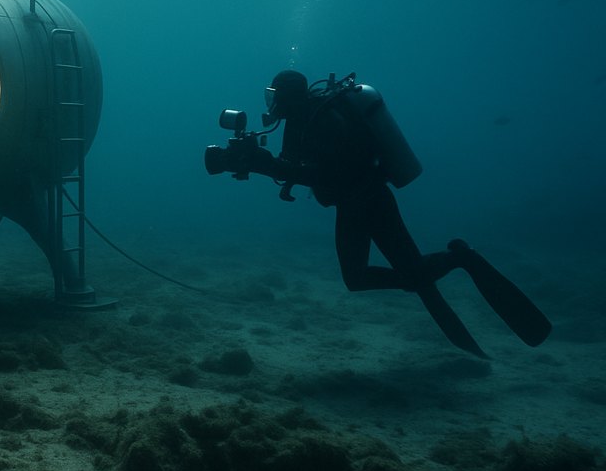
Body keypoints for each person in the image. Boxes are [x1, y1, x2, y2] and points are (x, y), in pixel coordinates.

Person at [207, 69, 550, 357]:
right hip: (351, 203)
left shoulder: (326, 119)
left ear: (290, 96)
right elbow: (296, 166)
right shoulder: (298, 122)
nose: (272, 104)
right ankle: (426, 273)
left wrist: (268, 167)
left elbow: (327, 173)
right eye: (270, 96)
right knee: (360, 279)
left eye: (274, 96)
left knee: (373, 277)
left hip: (370, 200)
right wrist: (271, 171)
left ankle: (459, 258)